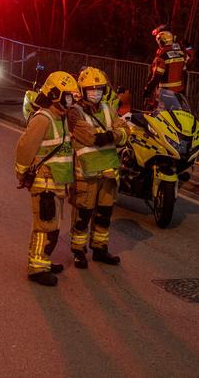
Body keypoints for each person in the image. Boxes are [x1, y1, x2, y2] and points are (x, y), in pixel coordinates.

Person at [15, 71, 78, 287]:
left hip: (58, 183)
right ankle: (37, 268)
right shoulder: (43, 118)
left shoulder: (60, 117)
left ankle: (44, 261)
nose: (71, 101)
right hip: (45, 183)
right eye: (68, 96)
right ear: (54, 94)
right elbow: (25, 147)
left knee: (52, 226)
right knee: (44, 226)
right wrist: (21, 173)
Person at [68, 67, 130, 268]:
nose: (95, 93)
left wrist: (110, 135)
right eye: (91, 89)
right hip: (86, 173)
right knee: (82, 215)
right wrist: (111, 135)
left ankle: (100, 248)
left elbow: (125, 130)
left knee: (105, 213)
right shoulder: (74, 112)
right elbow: (88, 137)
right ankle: (78, 251)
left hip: (109, 172)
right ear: (82, 90)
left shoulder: (107, 108)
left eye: (99, 89)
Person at [142, 27, 194, 108]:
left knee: (162, 117)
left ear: (161, 42)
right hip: (179, 94)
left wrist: (147, 91)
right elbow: (190, 57)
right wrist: (188, 46)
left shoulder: (161, 58)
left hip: (165, 94)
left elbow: (156, 77)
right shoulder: (181, 54)